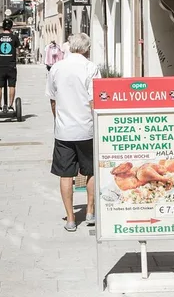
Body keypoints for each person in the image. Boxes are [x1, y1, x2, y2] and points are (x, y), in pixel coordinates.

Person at [46, 33, 100, 232]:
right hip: (87, 129)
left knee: (65, 174)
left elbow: (52, 98)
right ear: (86, 49)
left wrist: (58, 118)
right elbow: (95, 100)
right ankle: (90, 212)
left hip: (64, 131)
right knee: (91, 171)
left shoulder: (57, 67)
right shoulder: (90, 67)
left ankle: (70, 218)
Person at [0, 19, 21, 112]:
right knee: (12, 86)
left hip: (0, 65)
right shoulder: (14, 37)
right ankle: (11, 106)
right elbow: (17, 51)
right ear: (11, 27)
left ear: (2, 26)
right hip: (11, 65)